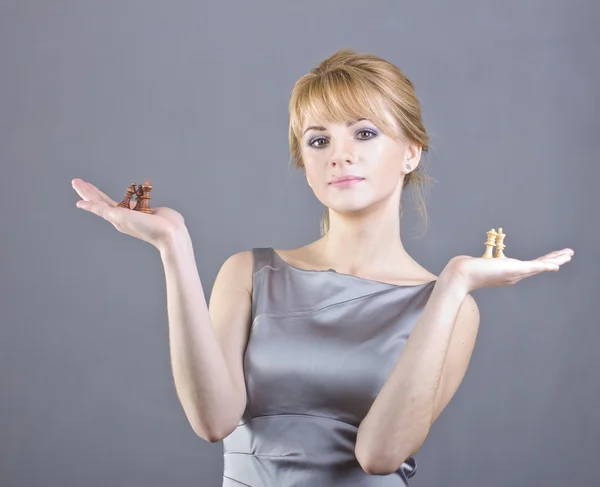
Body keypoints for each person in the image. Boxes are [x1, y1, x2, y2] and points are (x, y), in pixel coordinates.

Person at [71, 48, 574, 486]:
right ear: (304, 161)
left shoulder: (450, 309)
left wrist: (454, 283)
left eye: (365, 133)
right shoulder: (249, 274)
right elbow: (212, 421)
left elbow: (379, 456)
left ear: (410, 153)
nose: (341, 155)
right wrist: (173, 247)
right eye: (319, 140)